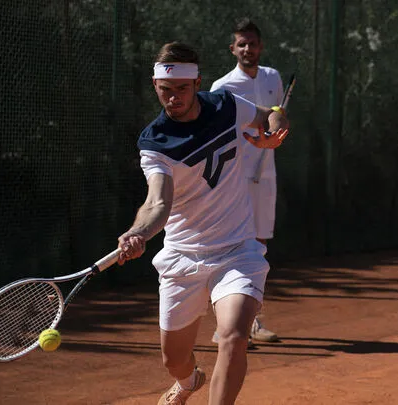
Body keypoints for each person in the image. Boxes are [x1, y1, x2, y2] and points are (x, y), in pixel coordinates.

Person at [116, 42, 289, 405]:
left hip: (237, 250)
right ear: (154, 85)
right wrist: (138, 232)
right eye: (166, 90)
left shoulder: (224, 106)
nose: (173, 98)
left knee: (234, 335)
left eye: (181, 89)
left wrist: (275, 127)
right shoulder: (155, 141)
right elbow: (157, 203)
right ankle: (188, 380)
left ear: (197, 83)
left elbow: (268, 114)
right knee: (174, 359)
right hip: (182, 256)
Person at [210, 18, 283, 344]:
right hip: (232, 179)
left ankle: (251, 321)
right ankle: (225, 325)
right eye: (241, 44)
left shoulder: (272, 77)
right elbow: (213, 136)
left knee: (259, 249)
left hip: (265, 176)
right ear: (232, 49)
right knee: (231, 248)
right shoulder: (222, 88)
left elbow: (277, 115)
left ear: (260, 46)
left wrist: (277, 130)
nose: (247, 49)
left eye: (252, 43)